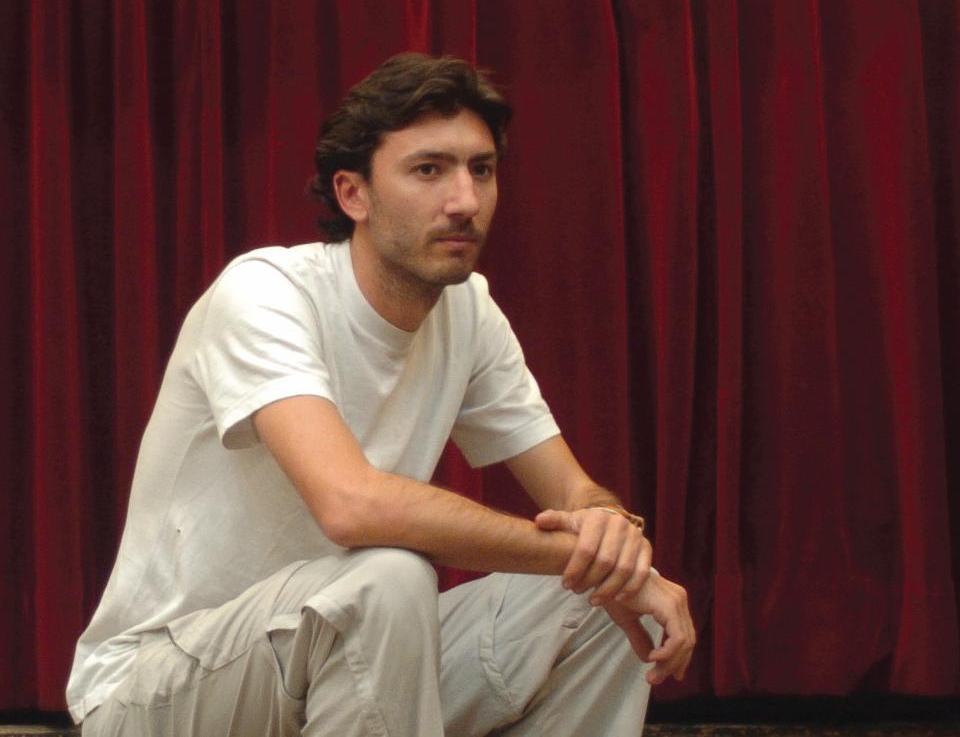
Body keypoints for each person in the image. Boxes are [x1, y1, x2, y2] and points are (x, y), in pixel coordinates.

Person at [67, 53, 695, 736]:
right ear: (353, 195)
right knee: (389, 577)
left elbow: (572, 491)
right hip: (158, 690)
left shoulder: (469, 312)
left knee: (601, 602)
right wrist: (577, 553)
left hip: (345, 659)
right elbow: (351, 505)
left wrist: (611, 535)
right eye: (429, 170)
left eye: (481, 170)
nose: (465, 201)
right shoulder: (265, 293)